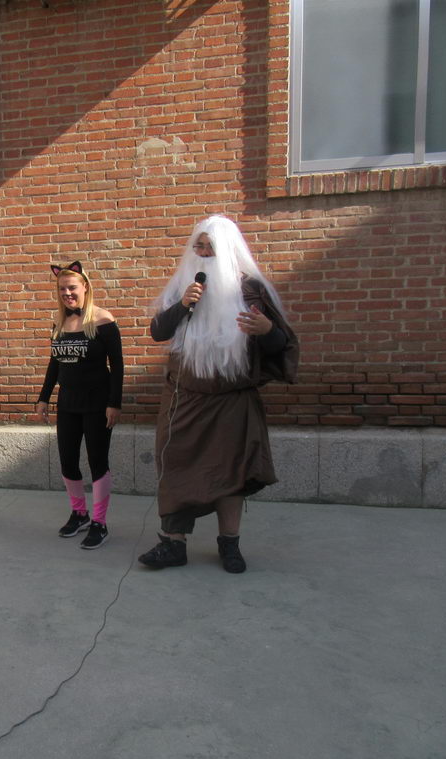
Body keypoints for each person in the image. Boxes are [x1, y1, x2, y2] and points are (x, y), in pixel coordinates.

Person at [139, 215, 298, 573]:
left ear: (228, 250)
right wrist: (182, 305)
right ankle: (173, 544)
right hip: (184, 398)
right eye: (199, 246)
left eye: (211, 247)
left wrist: (267, 328)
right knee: (175, 467)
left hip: (231, 401)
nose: (204, 253)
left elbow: (283, 345)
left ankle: (229, 545)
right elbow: (157, 331)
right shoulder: (183, 286)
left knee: (233, 473)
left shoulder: (251, 290)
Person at [35, 262, 124, 550]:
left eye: (72, 287)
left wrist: (114, 403)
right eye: (62, 289)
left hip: (98, 404)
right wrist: (43, 397)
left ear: (85, 286)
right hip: (68, 404)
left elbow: (118, 366)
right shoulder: (59, 322)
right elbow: (54, 364)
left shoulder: (103, 320)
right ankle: (80, 513)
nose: (67, 294)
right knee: (68, 463)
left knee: (98, 463)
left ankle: (100, 522)